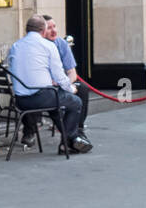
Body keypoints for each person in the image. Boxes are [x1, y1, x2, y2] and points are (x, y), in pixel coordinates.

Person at [6, 15, 90, 154]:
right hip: (41, 98)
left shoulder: (16, 46)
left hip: (20, 101)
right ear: (43, 30)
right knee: (75, 102)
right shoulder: (48, 46)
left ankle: (71, 141)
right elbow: (59, 75)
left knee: (56, 105)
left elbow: (12, 71)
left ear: (27, 30)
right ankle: (70, 140)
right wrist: (71, 89)